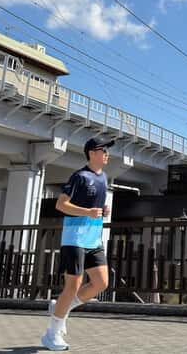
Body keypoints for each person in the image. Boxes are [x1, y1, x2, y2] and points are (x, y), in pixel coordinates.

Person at [41, 136, 115, 351]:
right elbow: (61, 204)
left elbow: (94, 207)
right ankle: (51, 334)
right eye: (104, 150)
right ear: (92, 153)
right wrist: (88, 212)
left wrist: (101, 212)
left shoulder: (104, 178)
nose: (107, 154)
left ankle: (62, 307)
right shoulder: (79, 176)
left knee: (101, 283)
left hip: (94, 239)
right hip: (74, 238)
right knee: (72, 285)